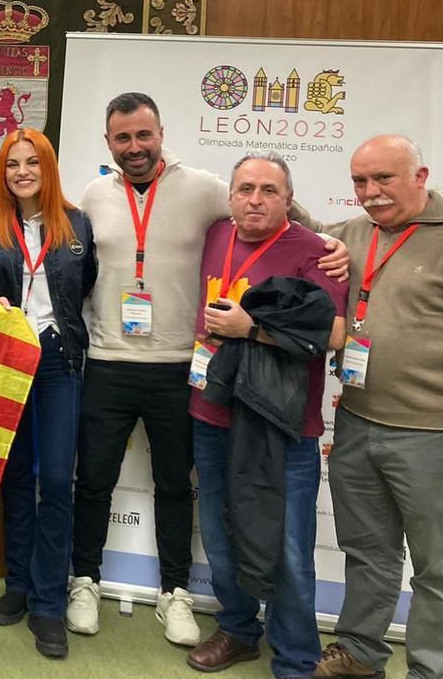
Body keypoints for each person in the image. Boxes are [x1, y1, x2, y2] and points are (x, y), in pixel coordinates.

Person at [65, 92, 347, 647]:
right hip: (108, 362)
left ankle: (175, 592)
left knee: (176, 486)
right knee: (94, 481)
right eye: (123, 138)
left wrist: (326, 238)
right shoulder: (95, 194)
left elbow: (268, 207)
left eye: (144, 134)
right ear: (108, 143)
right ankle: (85, 580)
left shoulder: (205, 189)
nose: (135, 146)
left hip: (180, 369)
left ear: (161, 132)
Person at [184, 152, 346, 677]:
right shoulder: (215, 234)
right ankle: (237, 629)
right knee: (219, 530)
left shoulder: (316, 252)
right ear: (230, 195)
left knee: (290, 548)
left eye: (269, 191)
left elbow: (334, 335)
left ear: (288, 198)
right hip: (211, 411)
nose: (255, 199)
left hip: (282, 425)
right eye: (246, 189)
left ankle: (298, 655)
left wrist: (250, 329)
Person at [291, 136, 443, 679]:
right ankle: (359, 652)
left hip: (430, 433)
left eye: (384, 179)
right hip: (356, 420)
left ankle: (430, 668)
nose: (371, 193)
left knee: (436, 568)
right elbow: (300, 235)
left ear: (420, 176)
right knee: (367, 550)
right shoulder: (353, 235)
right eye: (360, 181)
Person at [0, 128, 96, 659]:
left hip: (59, 360)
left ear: (47, 167)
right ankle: (17, 584)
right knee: (14, 474)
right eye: (12, 164)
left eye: (31, 163)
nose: (21, 172)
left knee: (57, 479)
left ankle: (48, 603)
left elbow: (83, 284)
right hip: (5, 360)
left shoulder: (77, 224)